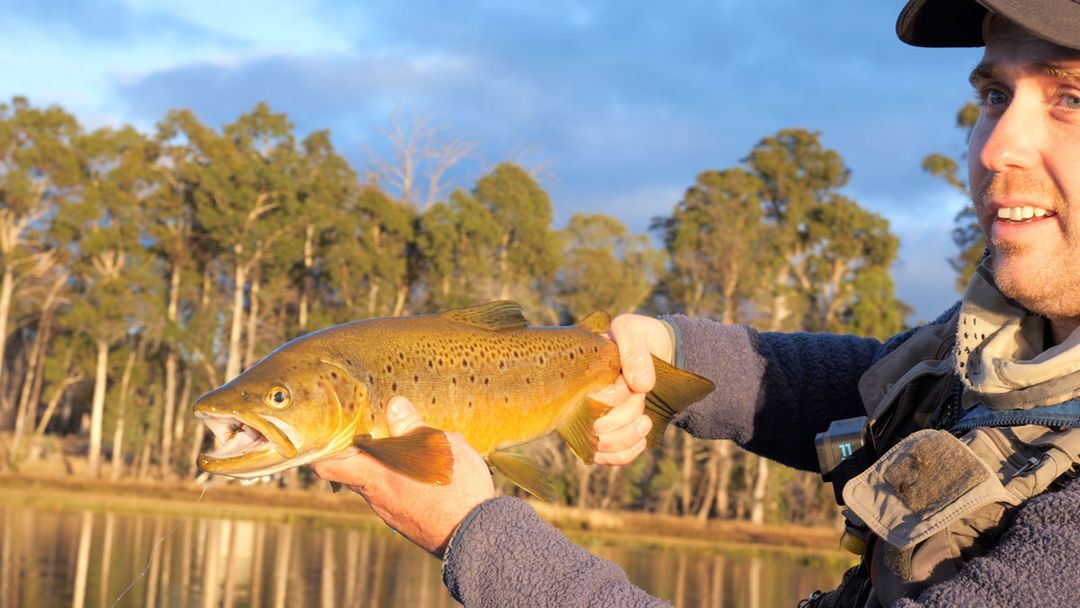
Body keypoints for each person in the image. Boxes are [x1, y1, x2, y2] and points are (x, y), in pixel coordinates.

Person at [313, 1, 1080, 605]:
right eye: (993, 92)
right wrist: (665, 353)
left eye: (1069, 98)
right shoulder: (1013, 342)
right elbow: (884, 388)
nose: (993, 147)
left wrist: (476, 540)